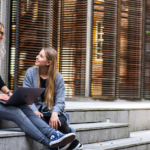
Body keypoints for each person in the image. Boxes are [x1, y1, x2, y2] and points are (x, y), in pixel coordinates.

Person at [0, 22, 76, 149]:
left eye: (2, 33)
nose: (2, 36)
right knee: (17, 113)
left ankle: (54, 134)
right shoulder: (31, 72)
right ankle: (51, 144)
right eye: (0, 33)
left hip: (45, 111)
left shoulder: (58, 77)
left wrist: (8, 93)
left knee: (23, 105)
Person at [23, 47, 83, 150]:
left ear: (49, 62)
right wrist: (35, 111)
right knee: (38, 120)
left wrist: (55, 113)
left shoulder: (58, 77)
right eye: (38, 54)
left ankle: (62, 142)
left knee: (60, 121)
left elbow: (60, 101)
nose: (37, 57)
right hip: (36, 112)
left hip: (50, 112)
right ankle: (71, 143)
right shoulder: (30, 72)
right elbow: (26, 95)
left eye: (41, 56)